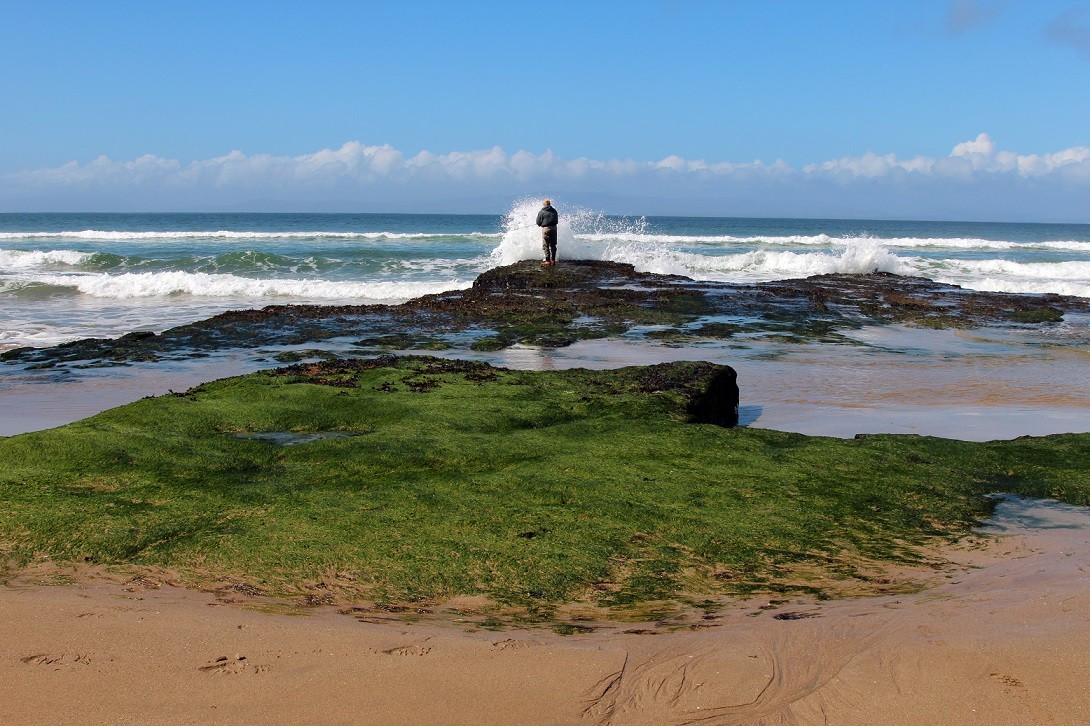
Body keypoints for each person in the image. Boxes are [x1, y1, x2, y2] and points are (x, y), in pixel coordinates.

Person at [535, 198, 558, 266]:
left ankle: (548, 260)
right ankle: (553, 260)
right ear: (550, 204)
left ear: (544, 204)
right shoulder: (554, 211)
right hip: (554, 228)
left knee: (546, 244)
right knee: (553, 244)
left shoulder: (541, 211)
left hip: (546, 228)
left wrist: (541, 224)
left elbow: (538, 222)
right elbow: (556, 221)